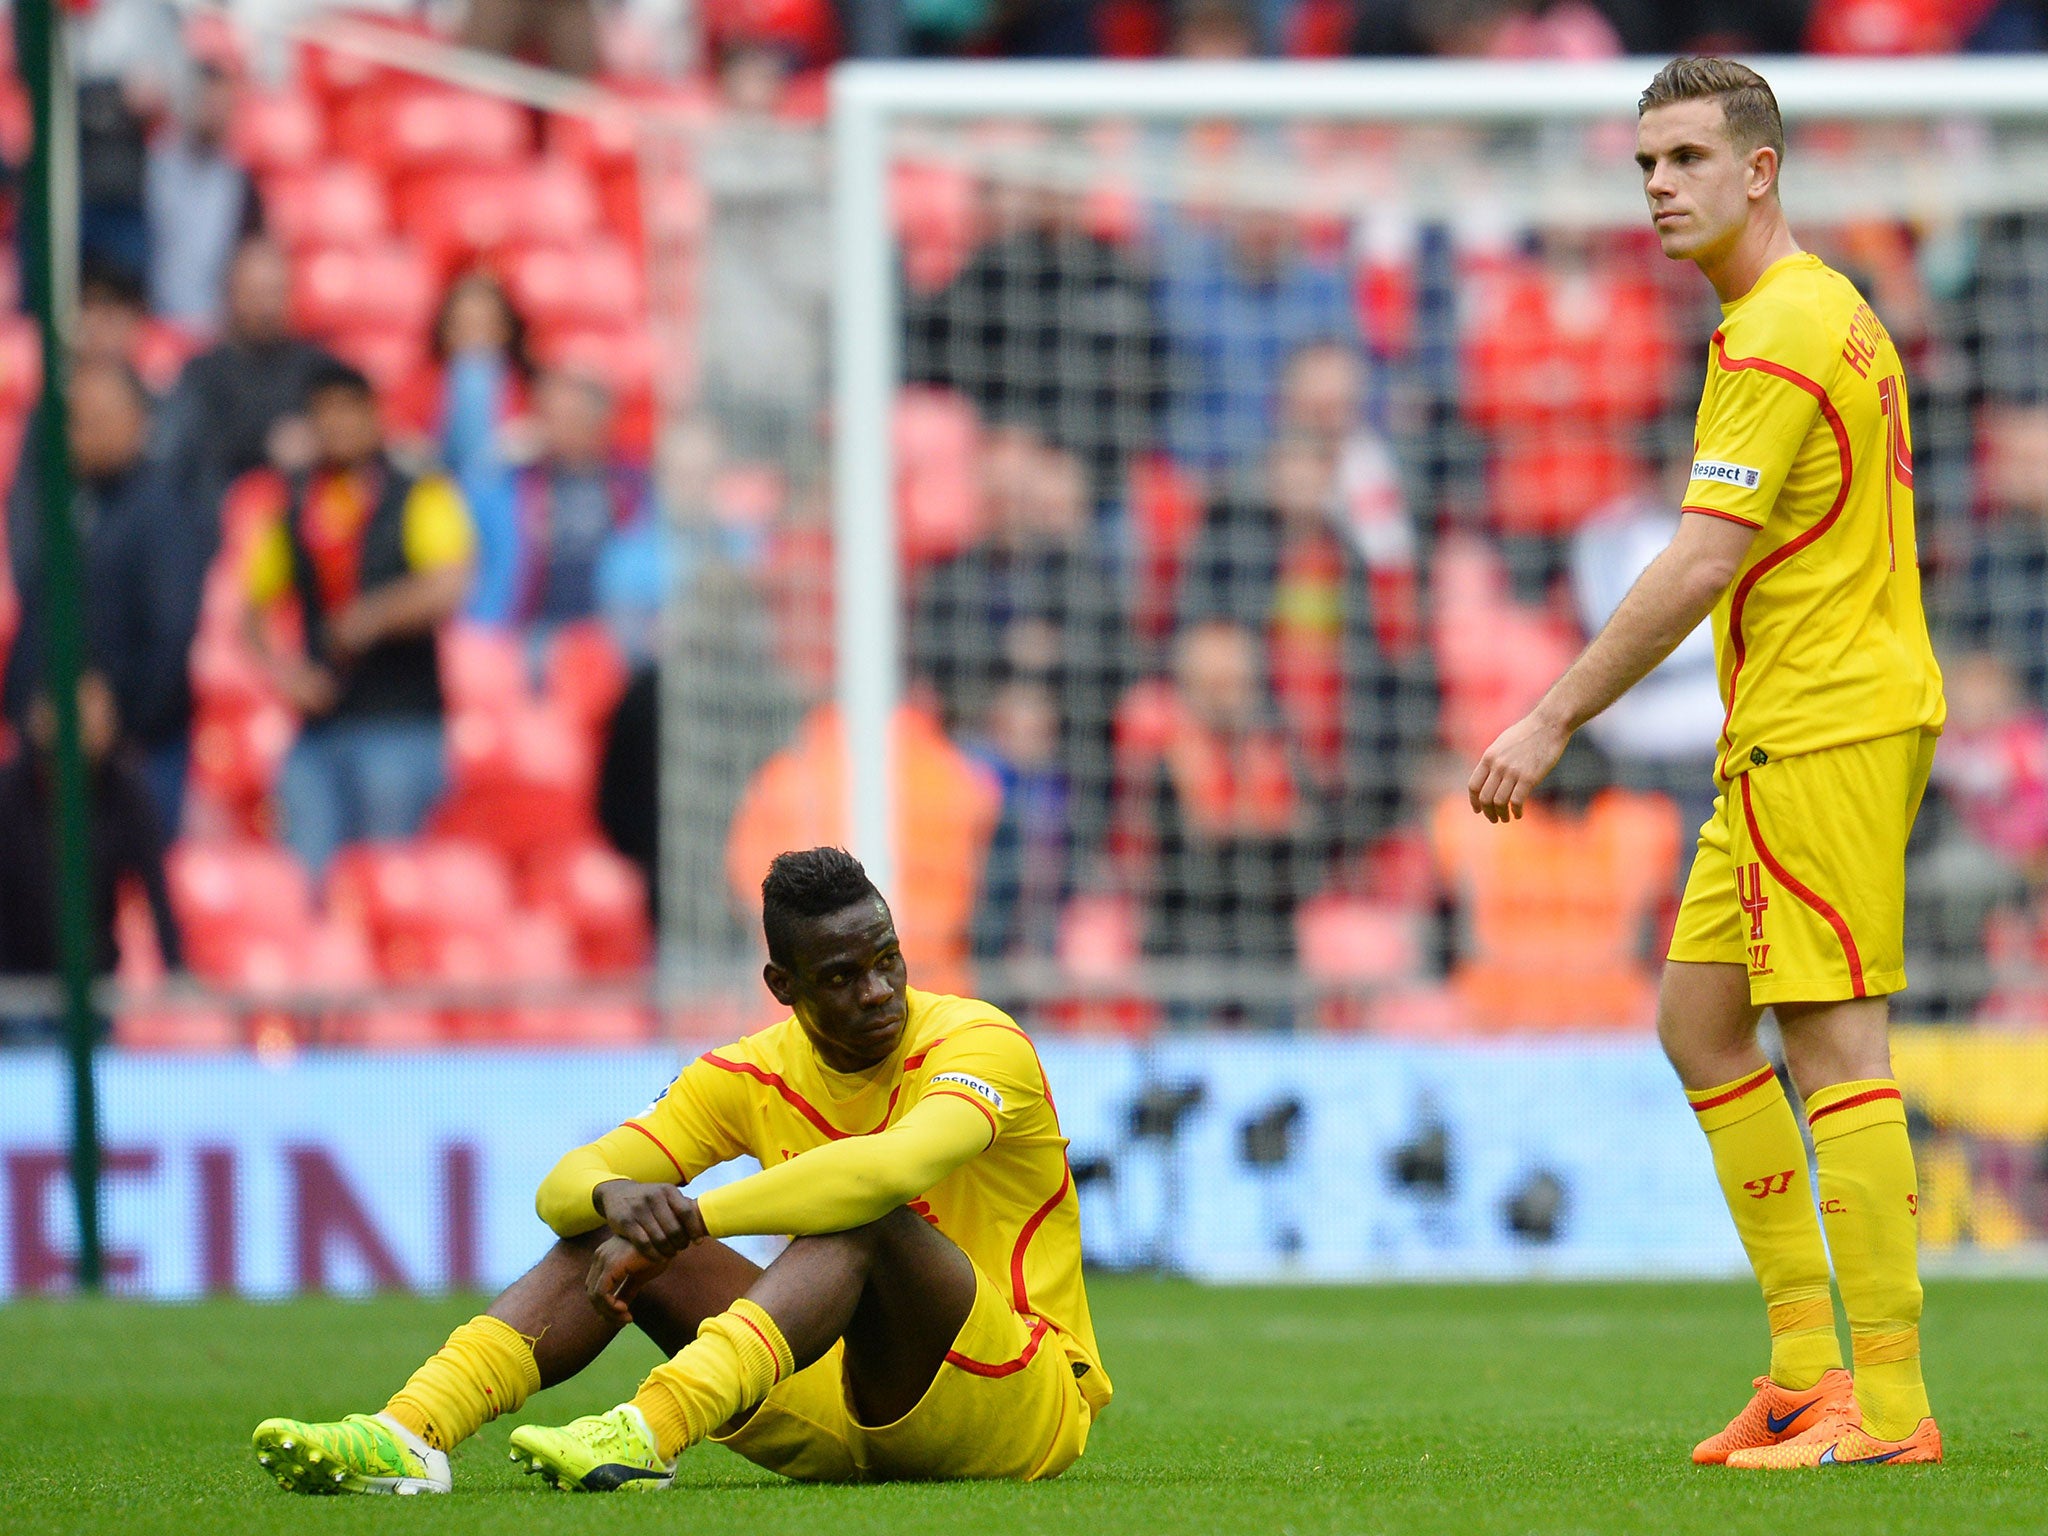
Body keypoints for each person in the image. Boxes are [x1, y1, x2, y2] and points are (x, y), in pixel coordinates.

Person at [1468, 59, 1946, 1468]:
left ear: (1761, 170)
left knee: (1836, 1045)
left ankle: (1892, 1411)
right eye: (1645, 165)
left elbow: (1700, 557)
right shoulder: (1807, 313)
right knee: (1701, 1021)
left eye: (1685, 158)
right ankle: (1806, 1369)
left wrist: (1551, 715)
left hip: (1827, 723)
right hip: (1789, 728)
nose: (1662, 187)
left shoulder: (1786, 328)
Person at [251, 846, 1107, 1494]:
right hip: (830, 1397)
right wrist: (616, 1198)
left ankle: (649, 1433)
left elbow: (893, 1168)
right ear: (783, 985)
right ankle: (411, 1433)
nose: (879, 991)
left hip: (1019, 1396)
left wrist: (690, 1220)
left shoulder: (976, 1042)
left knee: (869, 1220)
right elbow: (563, 1188)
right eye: (843, 977)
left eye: (888, 959)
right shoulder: (743, 1074)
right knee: (608, 1226)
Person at [240, 361, 476, 877]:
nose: (337, 426)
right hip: (319, 728)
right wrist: (284, 673)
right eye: (324, 415)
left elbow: (448, 584)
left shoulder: (419, 491)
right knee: (305, 882)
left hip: (399, 724)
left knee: (388, 880)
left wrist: (376, 616)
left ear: (375, 417)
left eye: (349, 412)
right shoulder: (296, 500)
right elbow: (252, 607)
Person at [4, 359, 213, 834]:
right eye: (78, 420)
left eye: (101, 418)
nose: (86, 432)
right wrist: (30, 706)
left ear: (140, 423)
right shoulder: (60, 504)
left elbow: (171, 631)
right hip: (54, 744)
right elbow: (37, 616)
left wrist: (117, 717)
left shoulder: (162, 509)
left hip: (138, 747)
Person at [0, 672, 180, 993]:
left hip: (93, 982)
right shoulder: (10, 793)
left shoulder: (126, 792)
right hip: (14, 984)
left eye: (100, 716)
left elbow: (156, 891)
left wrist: (177, 974)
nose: (90, 728)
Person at [157, 235, 338, 507]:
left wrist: (323, 440)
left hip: (304, 522)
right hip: (222, 520)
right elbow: (188, 456)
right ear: (229, 296)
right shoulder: (202, 375)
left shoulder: (321, 370)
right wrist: (267, 444)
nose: (266, 307)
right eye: (254, 293)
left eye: (275, 292)